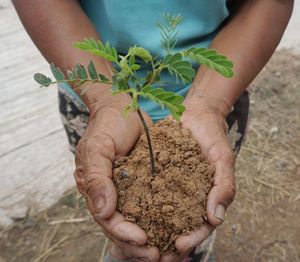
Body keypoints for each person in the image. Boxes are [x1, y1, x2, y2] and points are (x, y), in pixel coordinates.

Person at [13, 1, 293, 261]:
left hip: (219, 90)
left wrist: (210, 105)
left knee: (190, 238)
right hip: (91, 94)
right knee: (110, 205)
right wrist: (106, 99)